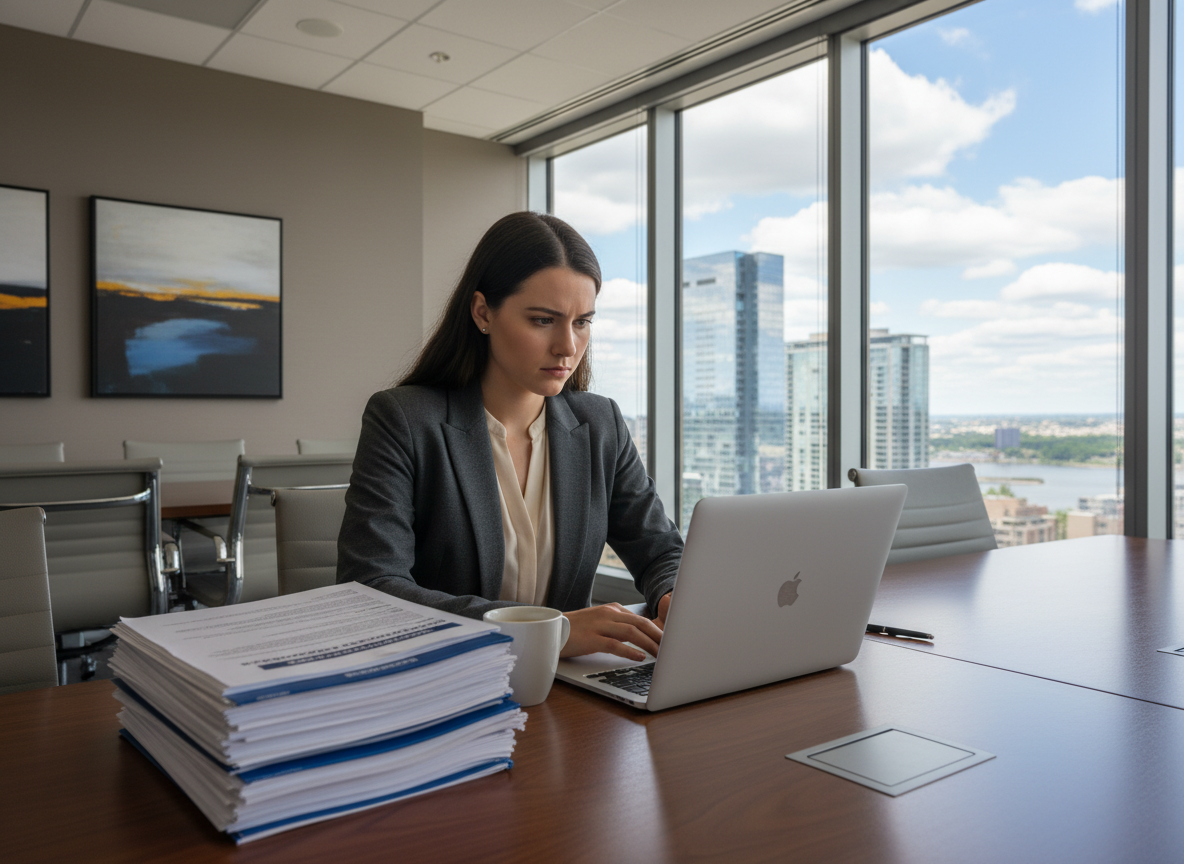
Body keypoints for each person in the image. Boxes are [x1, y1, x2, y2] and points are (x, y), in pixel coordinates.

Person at [338, 212, 682, 663]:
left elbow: (661, 550)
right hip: (445, 678)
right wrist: (548, 631)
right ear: (483, 312)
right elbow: (373, 587)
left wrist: (674, 595)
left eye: (582, 322)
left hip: (566, 691)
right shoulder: (403, 420)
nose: (567, 346)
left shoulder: (601, 424)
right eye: (543, 320)